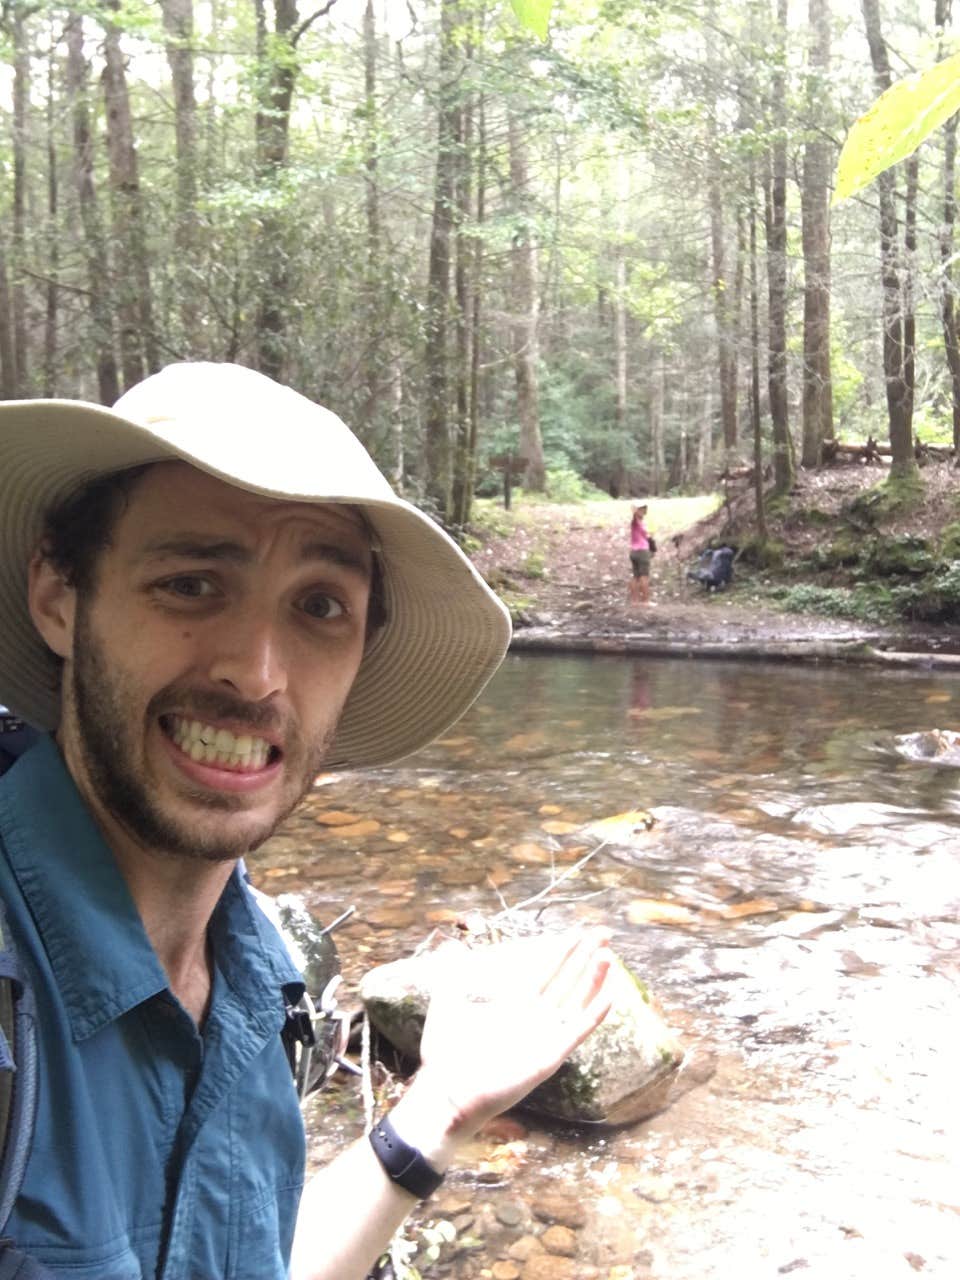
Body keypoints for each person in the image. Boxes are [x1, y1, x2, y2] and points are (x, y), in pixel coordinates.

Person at [0, 363, 614, 1280]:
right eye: (191, 584)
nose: (257, 673)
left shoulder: (263, 979)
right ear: (60, 596)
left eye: (319, 607)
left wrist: (435, 1115)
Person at [628, 501, 654, 607]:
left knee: (636, 576)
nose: (643, 511)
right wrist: (635, 510)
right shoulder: (636, 521)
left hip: (634, 551)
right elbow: (634, 516)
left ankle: (634, 601)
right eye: (641, 509)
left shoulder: (641, 523)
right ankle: (646, 601)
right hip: (641, 552)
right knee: (644, 577)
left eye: (644, 509)